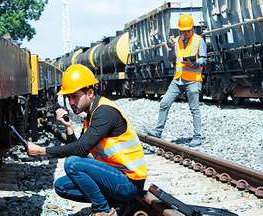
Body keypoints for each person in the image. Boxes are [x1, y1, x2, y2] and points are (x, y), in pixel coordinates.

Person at [26, 64, 147, 216]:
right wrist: (69, 127)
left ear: (89, 93)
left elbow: (80, 150)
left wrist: (41, 151)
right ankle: (113, 203)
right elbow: (80, 151)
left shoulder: (105, 112)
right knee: (61, 186)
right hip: (113, 176)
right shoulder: (92, 114)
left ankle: (104, 211)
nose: (70, 102)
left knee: (72, 164)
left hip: (129, 182)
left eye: (74, 96)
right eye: (68, 97)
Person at [146, 14, 207, 147]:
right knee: (164, 103)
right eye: (183, 31)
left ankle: (197, 137)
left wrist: (194, 62)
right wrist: (171, 49)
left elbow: (204, 59)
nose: (186, 33)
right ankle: (157, 131)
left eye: (188, 30)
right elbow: (172, 59)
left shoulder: (199, 40)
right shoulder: (178, 41)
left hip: (192, 80)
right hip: (178, 79)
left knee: (194, 109)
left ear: (192, 28)